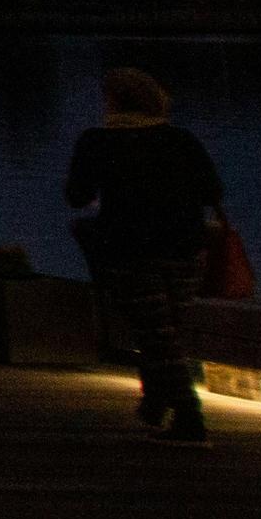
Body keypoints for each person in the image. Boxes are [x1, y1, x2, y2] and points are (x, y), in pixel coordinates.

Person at [66, 65, 229, 445]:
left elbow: (78, 196)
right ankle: (156, 400)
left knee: (156, 332)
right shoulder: (181, 140)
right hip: (187, 248)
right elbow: (212, 191)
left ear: (114, 101)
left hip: (130, 249)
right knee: (166, 329)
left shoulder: (97, 142)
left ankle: (189, 415)